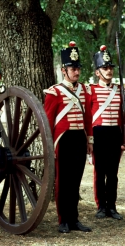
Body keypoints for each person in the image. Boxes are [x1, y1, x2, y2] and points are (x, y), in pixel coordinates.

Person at [43, 41, 93, 233]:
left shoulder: (85, 90)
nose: (77, 72)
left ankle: (74, 219)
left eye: (78, 68)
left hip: (79, 139)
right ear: (64, 70)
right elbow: (48, 122)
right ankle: (63, 220)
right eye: (73, 68)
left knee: (76, 180)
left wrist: (90, 141)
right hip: (62, 141)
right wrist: (49, 146)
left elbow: (87, 117)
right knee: (62, 181)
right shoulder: (54, 92)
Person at [89, 45, 123, 220]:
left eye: (110, 68)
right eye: (105, 68)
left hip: (115, 134)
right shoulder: (91, 90)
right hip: (99, 133)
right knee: (100, 172)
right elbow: (88, 116)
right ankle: (101, 206)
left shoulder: (120, 90)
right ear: (97, 72)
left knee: (113, 173)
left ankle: (112, 206)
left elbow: (123, 117)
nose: (109, 71)